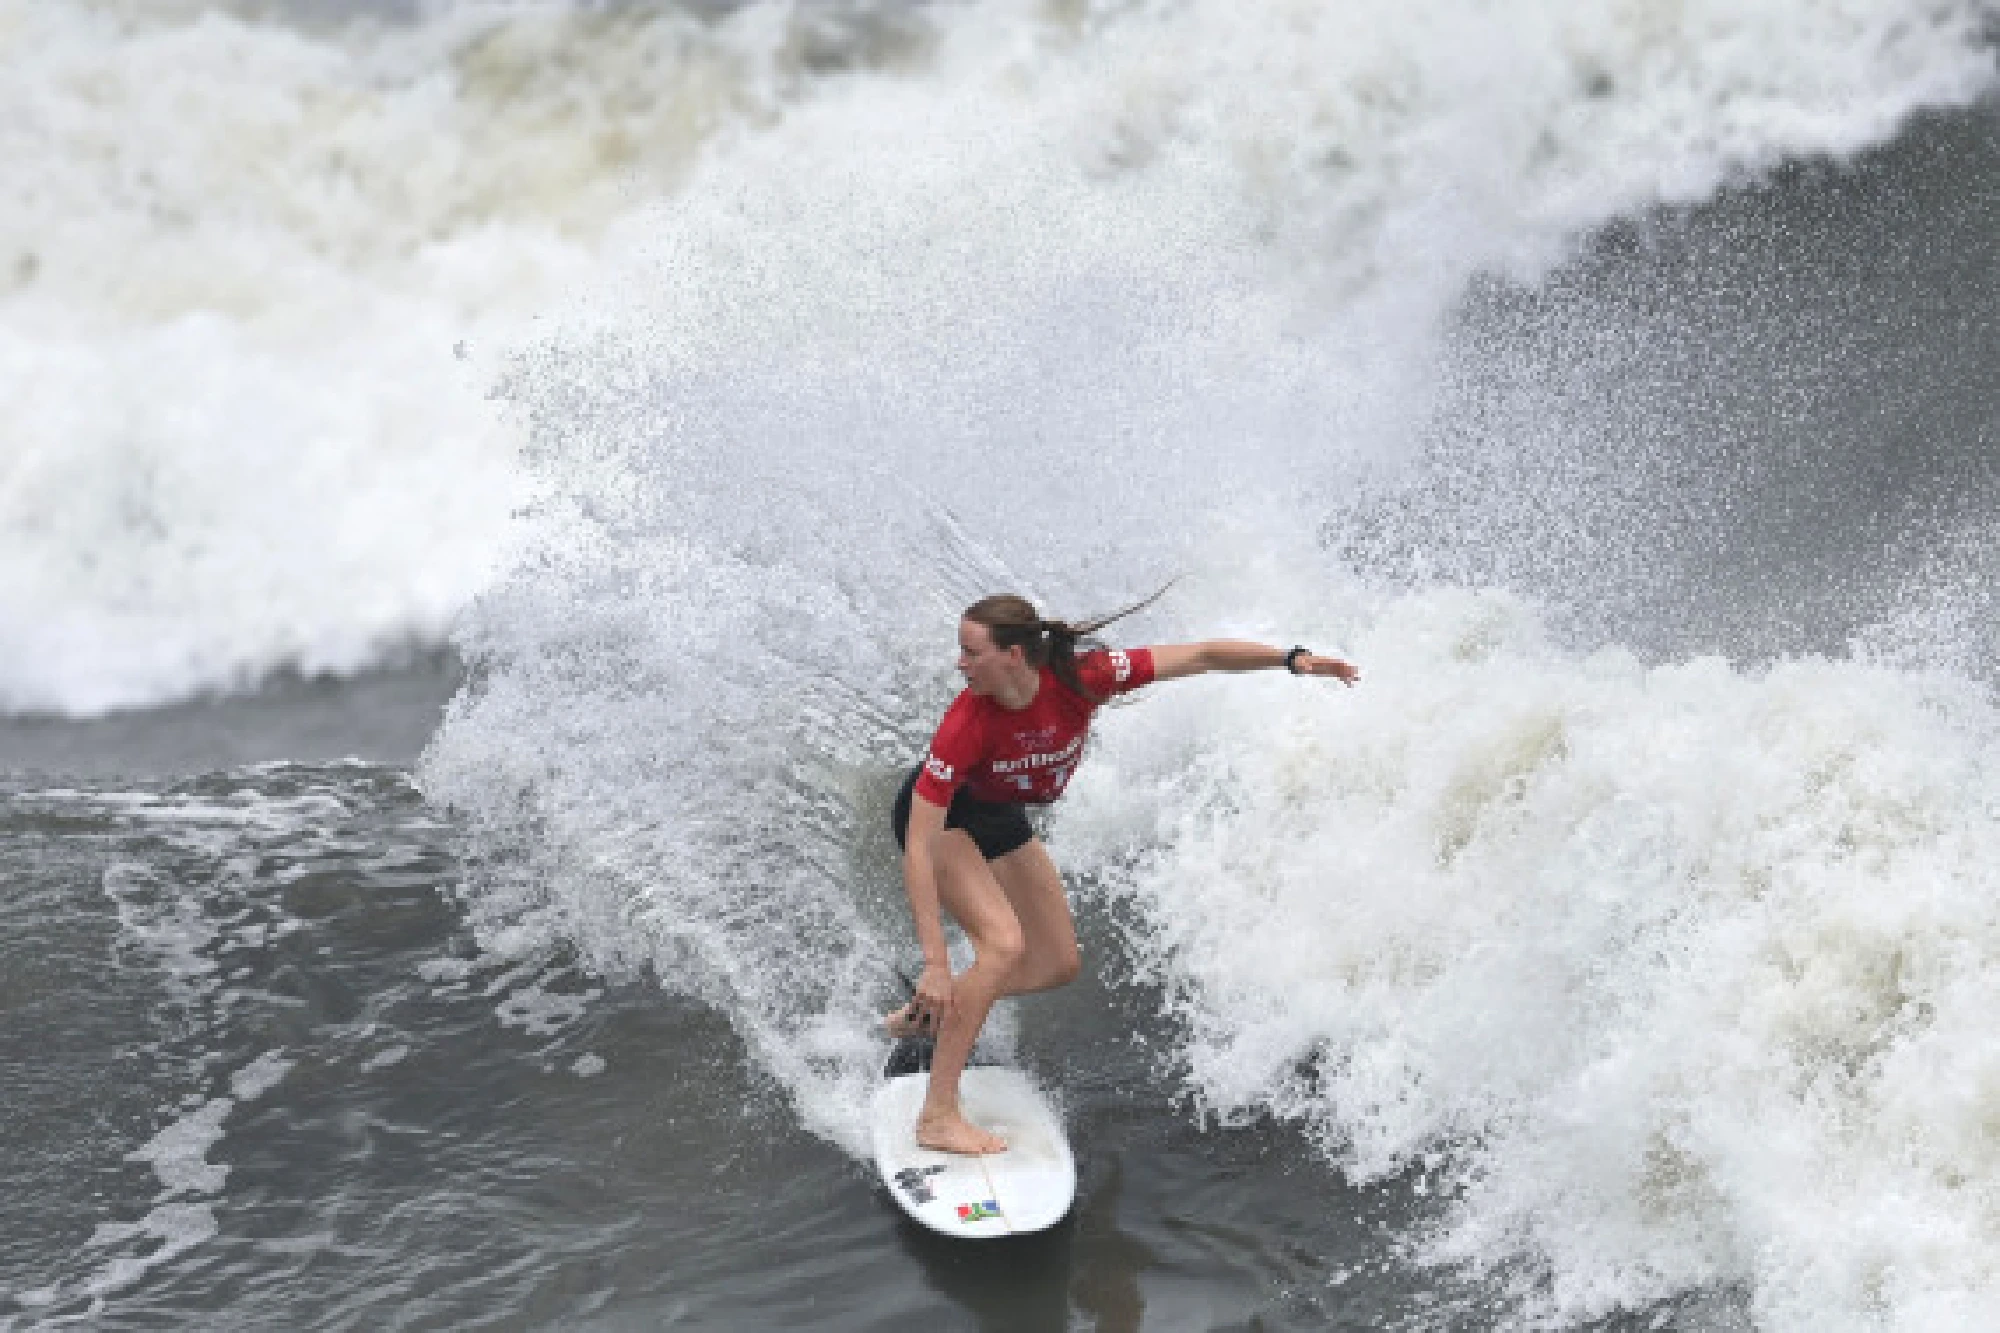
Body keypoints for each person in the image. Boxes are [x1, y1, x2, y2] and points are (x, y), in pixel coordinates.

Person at [887, 591, 1360, 1154]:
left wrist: (1291, 659)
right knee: (1003, 947)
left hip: (999, 814)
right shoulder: (966, 721)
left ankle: (933, 1014)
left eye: (970, 652)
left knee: (1057, 962)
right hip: (944, 823)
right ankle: (937, 1116)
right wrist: (937, 962)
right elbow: (918, 843)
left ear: (1013, 655)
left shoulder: (1083, 677)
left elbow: (1203, 655)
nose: (959, 664)